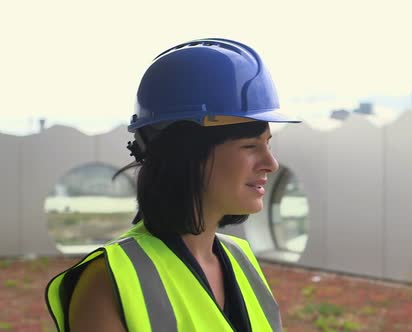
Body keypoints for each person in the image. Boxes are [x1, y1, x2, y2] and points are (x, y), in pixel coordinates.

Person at [45, 38, 301, 332]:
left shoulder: (240, 258)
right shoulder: (108, 281)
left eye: (267, 144)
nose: (271, 163)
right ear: (187, 153)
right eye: (250, 145)